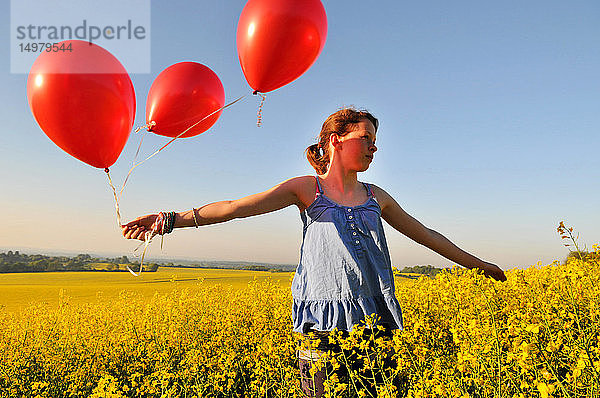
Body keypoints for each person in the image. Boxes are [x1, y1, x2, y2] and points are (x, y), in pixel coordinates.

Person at [121, 107, 507, 397]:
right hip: (321, 323)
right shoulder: (308, 189)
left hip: (376, 320)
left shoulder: (377, 197)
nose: (373, 148)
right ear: (335, 139)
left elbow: (426, 235)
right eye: (365, 139)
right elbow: (234, 207)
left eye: (375, 142)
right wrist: (170, 219)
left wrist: (477, 264)